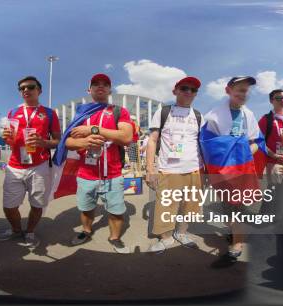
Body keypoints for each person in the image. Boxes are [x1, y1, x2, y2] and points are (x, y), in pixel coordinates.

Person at [64, 73, 133, 254]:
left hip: (113, 173)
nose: (100, 86)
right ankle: (86, 231)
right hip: (87, 173)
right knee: (86, 208)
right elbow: (67, 142)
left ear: (110, 89)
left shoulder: (119, 111)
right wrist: (83, 142)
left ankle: (115, 238)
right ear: (90, 90)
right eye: (96, 84)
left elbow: (126, 137)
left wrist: (93, 130)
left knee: (116, 210)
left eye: (105, 84)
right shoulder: (81, 113)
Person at [202, 76, 262, 266]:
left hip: (242, 169)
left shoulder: (249, 115)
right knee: (228, 209)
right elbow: (207, 146)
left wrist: (243, 152)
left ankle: (237, 245)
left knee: (237, 208)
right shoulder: (213, 116)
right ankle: (237, 234)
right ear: (228, 90)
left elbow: (256, 143)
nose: (243, 94)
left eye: (246, 91)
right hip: (222, 171)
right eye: (239, 90)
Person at [0, 76, 61, 248]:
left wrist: (44, 142)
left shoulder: (48, 113)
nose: (25, 90)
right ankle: (16, 230)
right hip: (15, 165)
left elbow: (57, 140)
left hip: (39, 165)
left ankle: (30, 232)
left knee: (37, 204)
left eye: (30, 87)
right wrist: (6, 138)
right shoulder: (13, 112)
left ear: (39, 90)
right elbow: (10, 140)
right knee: (9, 206)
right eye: (21, 88)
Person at [145, 76, 205, 253]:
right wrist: (150, 169)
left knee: (190, 205)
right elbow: (152, 141)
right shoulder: (163, 112)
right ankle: (165, 238)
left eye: (193, 90)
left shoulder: (199, 116)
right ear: (175, 90)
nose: (189, 92)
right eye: (185, 88)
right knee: (166, 206)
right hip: (168, 169)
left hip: (194, 169)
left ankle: (181, 233)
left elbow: (204, 144)